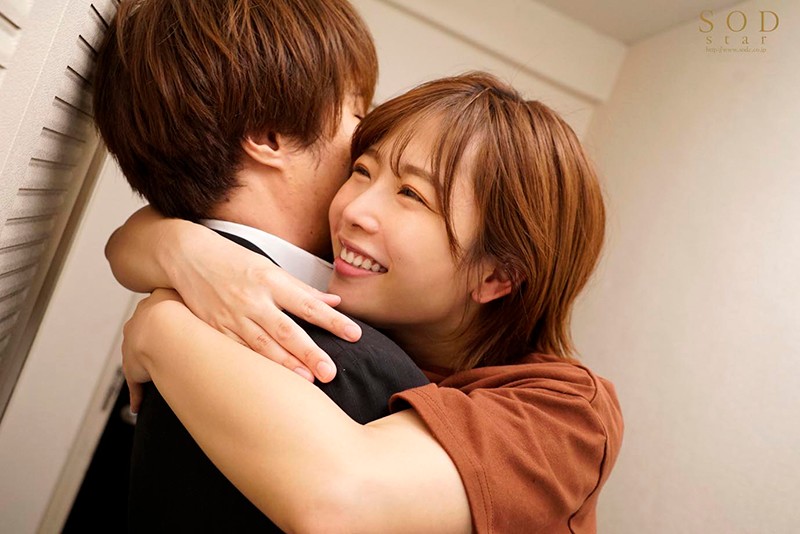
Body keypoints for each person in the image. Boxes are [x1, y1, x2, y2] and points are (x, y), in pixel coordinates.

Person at [112, 72, 624, 532]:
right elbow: (130, 241)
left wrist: (160, 325)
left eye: (412, 195)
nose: (354, 210)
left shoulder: (565, 413)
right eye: (361, 170)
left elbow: (340, 503)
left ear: (496, 276)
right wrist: (183, 251)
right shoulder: (358, 291)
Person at [93, 1, 429, 531]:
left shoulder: (180, 293)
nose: (368, 140)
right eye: (358, 114)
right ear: (270, 136)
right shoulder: (346, 361)